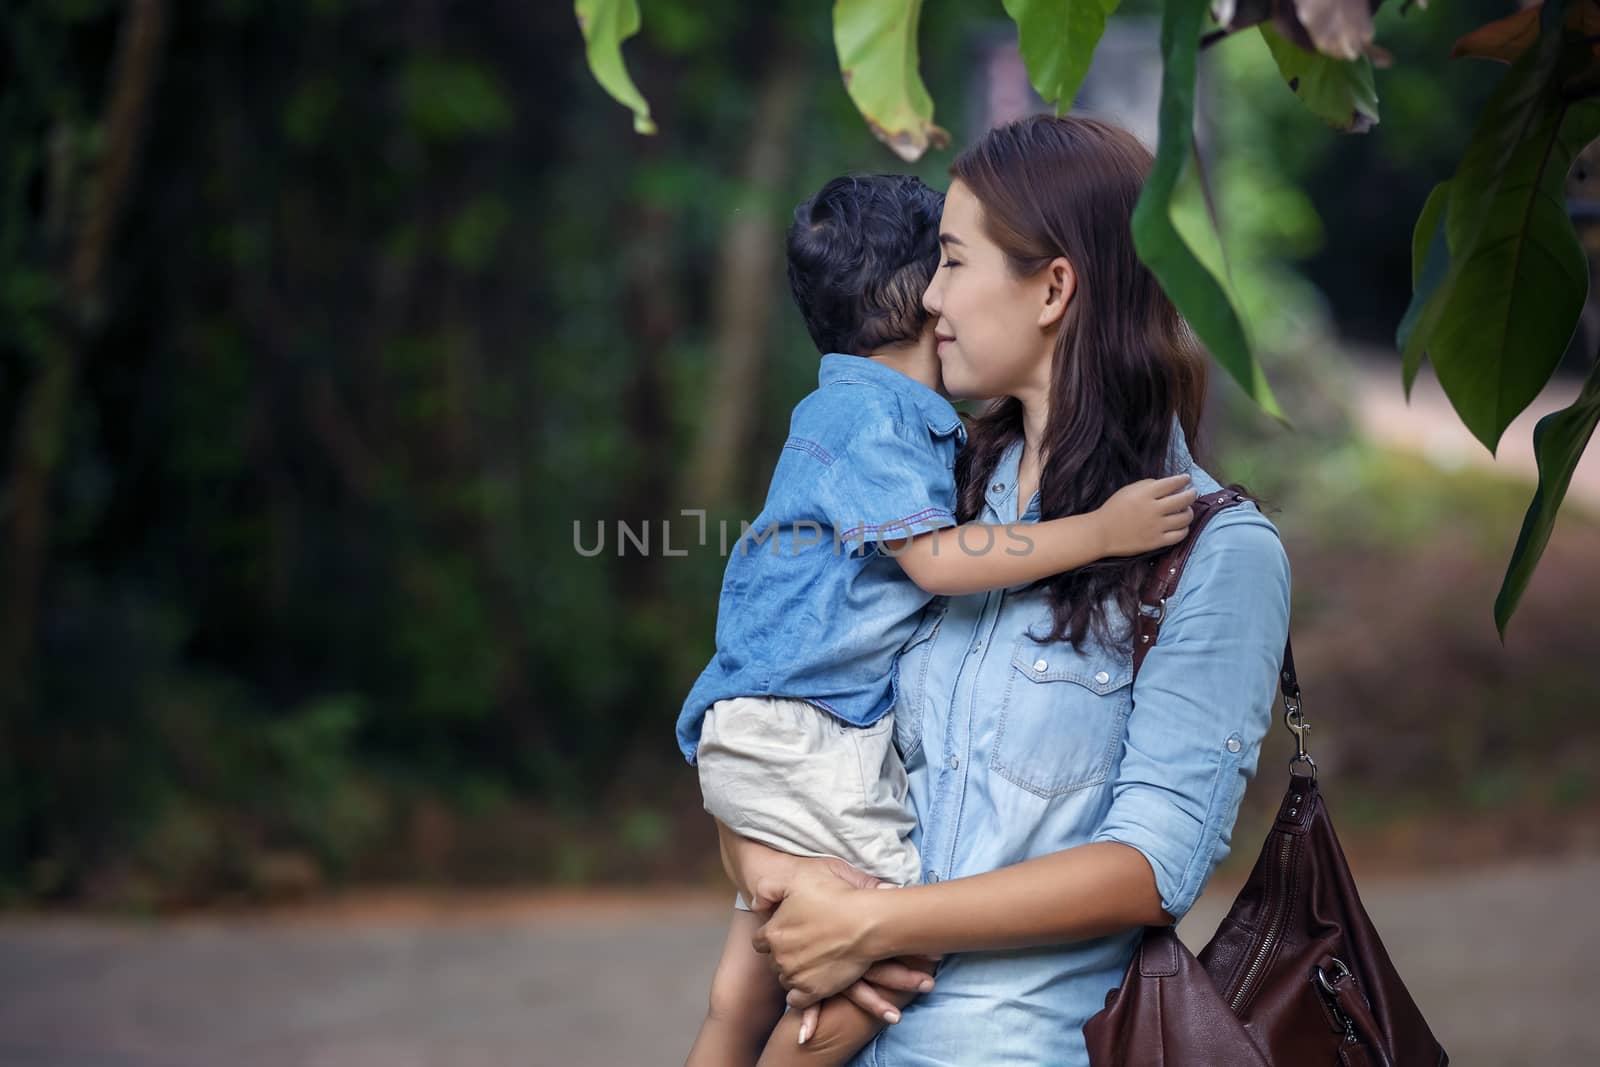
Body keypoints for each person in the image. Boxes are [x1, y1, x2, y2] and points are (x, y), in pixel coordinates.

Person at [720, 116, 1293, 1066]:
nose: (930, 297)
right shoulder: (921, 493)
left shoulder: (1214, 550)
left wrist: (876, 923)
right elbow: (781, 703)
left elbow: (1151, 868)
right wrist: (775, 874)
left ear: (1054, 288)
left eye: (951, 261)